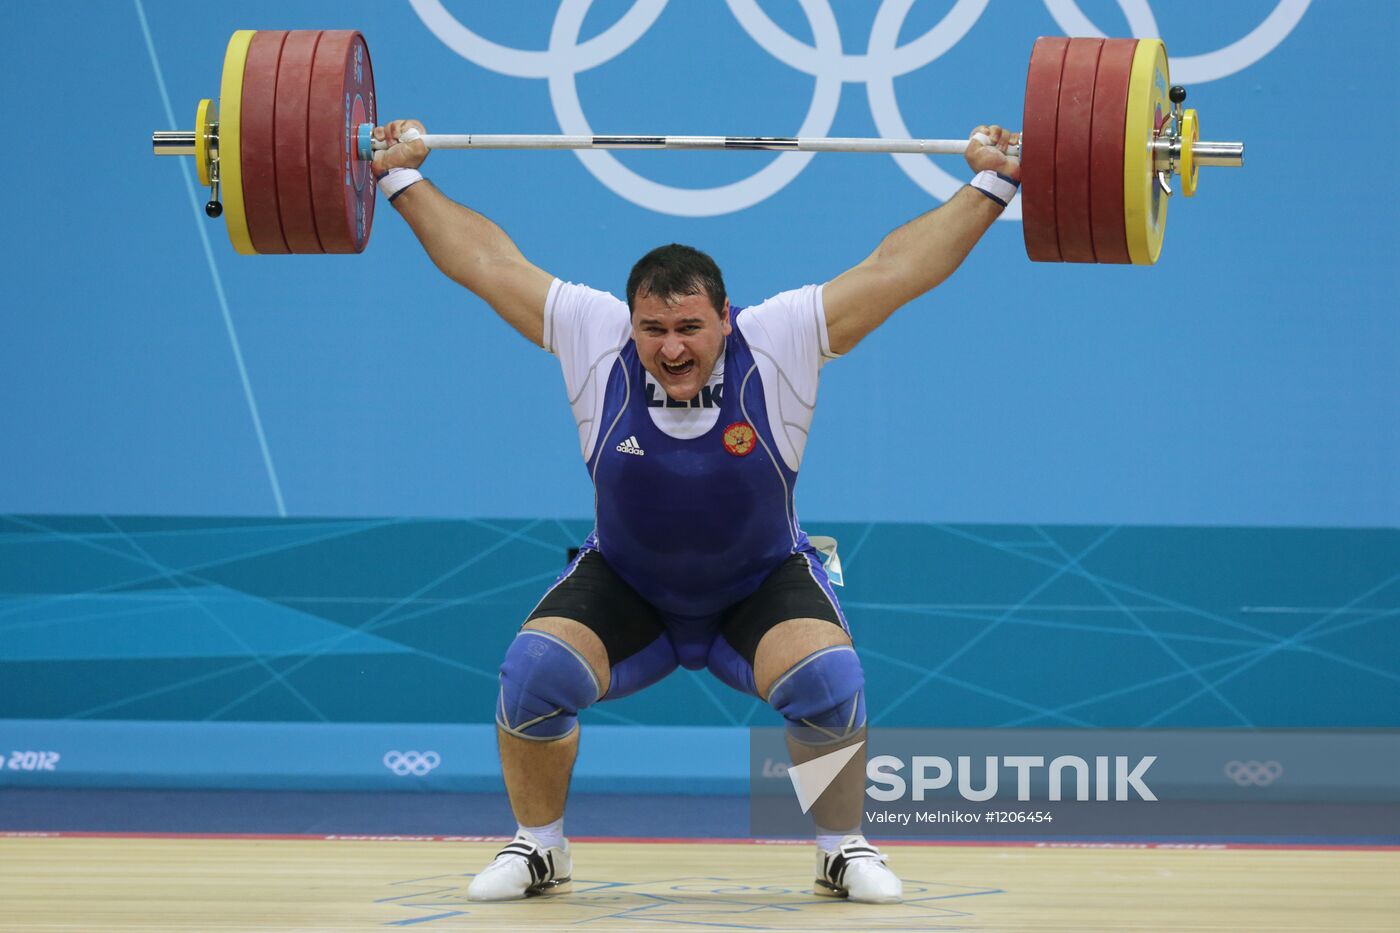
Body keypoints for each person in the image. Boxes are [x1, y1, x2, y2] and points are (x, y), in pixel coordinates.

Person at [371, 118, 1022, 904]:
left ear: (725, 316)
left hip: (760, 583)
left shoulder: (779, 337)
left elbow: (896, 270)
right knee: (533, 671)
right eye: (653, 329)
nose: (672, 347)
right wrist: (398, 177)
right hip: (628, 582)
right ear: (630, 320)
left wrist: (994, 182)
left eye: (689, 328)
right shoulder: (592, 334)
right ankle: (541, 847)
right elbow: (486, 263)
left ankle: (841, 846)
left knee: (828, 674)